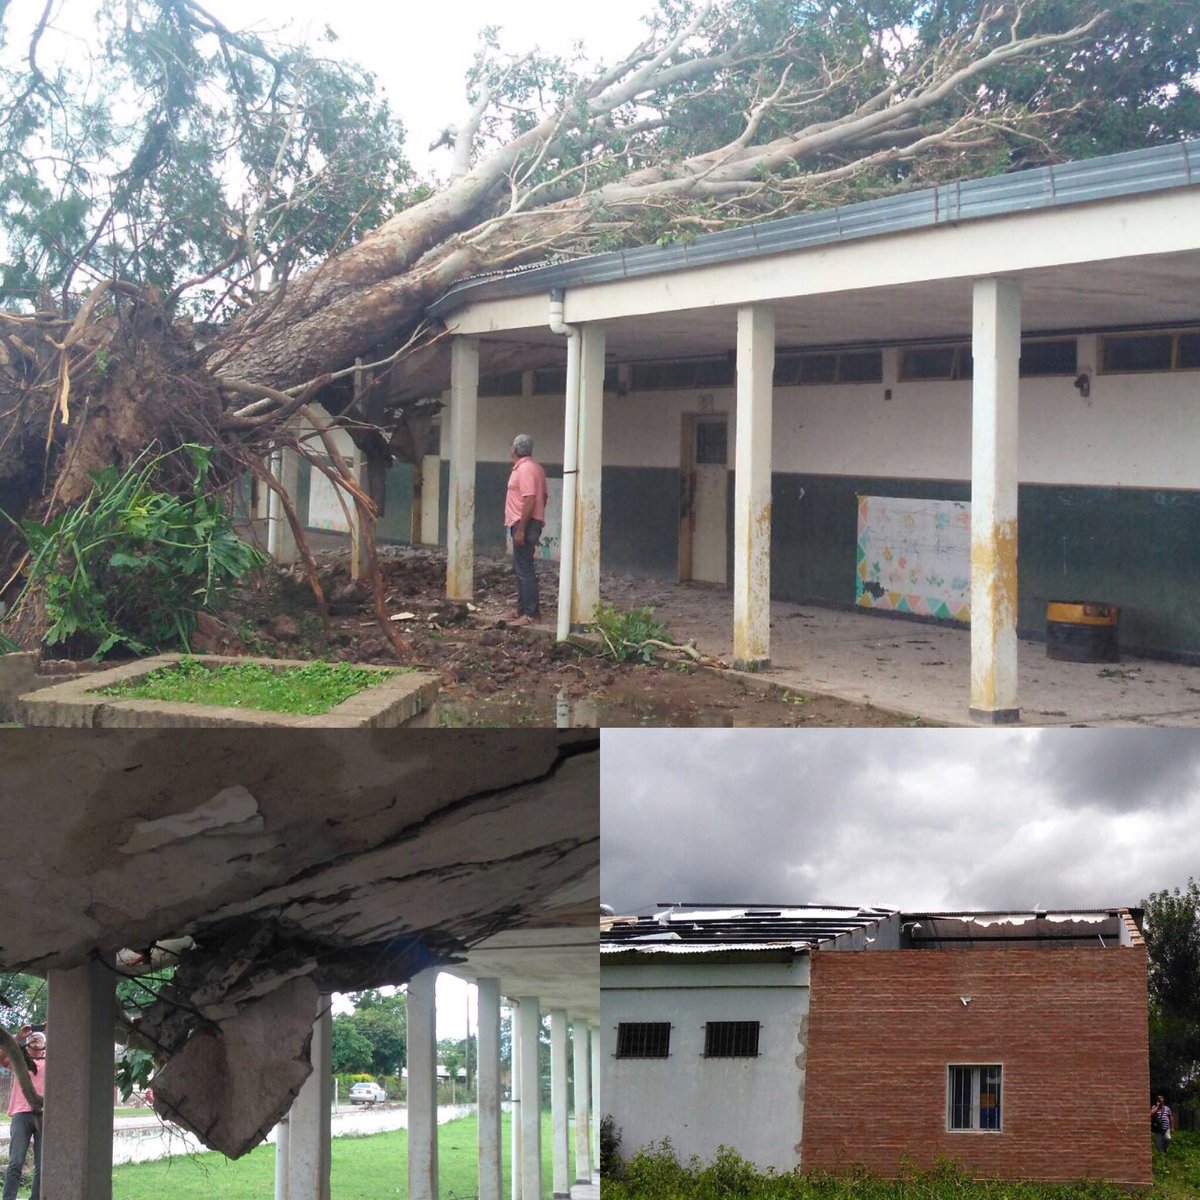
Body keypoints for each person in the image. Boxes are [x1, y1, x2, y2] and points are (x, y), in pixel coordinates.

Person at [504, 433, 549, 624]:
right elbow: (543, 498)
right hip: (530, 522)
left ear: (514, 449)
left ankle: (530, 613)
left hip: (523, 523)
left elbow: (529, 498)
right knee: (521, 566)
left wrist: (522, 528)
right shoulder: (536, 468)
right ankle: (522, 609)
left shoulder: (525, 470)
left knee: (524, 569)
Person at [2, 1026, 44, 1200]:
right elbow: (2, 1056)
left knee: (41, 1166)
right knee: (15, 1163)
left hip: (44, 1115)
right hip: (21, 1114)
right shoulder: (19, 1061)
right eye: (32, 1037)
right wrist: (18, 1037)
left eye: (39, 1038)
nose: (35, 1039)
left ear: (45, 1044)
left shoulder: (51, 1062)